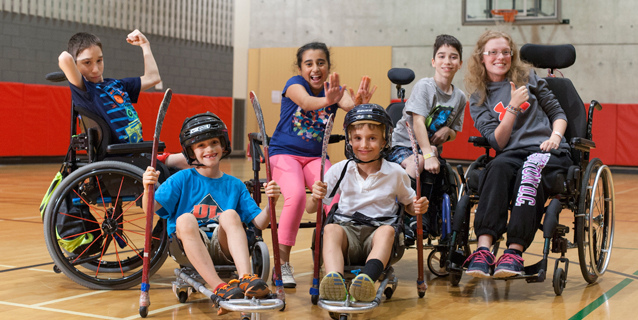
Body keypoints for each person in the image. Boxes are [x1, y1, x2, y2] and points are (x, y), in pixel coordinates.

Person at [142, 112, 281, 310]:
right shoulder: (180, 180)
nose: (209, 149)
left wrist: (271, 203)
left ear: (223, 145)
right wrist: (148, 188)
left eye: (214, 142)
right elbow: (149, 212)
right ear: (191, 152)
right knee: (185, 220)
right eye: (201, 145)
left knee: (230, 215)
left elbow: (260, 223)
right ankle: (219, 286)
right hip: (185, 247)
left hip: (223, 248)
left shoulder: (235, 185)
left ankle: (246, 279)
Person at [463, 30, 571, 278]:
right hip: (511, 152)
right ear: (482, 57)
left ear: (512, 55)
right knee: (497, 168)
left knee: (530, 170)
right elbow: (498, 142)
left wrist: (555, 137)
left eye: (505, 52)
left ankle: (514, 252)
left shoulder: (528, 77)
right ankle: (483, 251)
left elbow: (558, 113)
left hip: (546, 149)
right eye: (493, 52)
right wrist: (511, 107)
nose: (500, 57)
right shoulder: (479, 97)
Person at [268, 41, 376, 287]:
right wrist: (330, 100)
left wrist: (359, 103)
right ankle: (281, 264)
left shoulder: (337, 89)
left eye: (321, 63)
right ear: (300, 68)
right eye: (309, 64)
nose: (315, 68)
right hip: (284, 153)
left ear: (328, 66)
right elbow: (306, 103)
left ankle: (335, 256)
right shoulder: (295, 85)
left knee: (337, 196)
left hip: (317, 157)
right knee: (295, 195)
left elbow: (351, 109)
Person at [307, 104, 429, 302]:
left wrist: (416, 208)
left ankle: (366, 280)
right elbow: (311, 209)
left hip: (378, 234)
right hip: (348, 234)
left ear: (384, 141)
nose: (364, 145)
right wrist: (315, 197)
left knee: (387, 231)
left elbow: (408, 205)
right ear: (349, 140)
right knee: (330, 230)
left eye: (372, 138)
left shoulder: (396, 172)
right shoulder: (340, 169)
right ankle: (334, 282)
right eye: (357, 138)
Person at [58, 30, 188, 169]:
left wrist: (145, 45)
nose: (95, 69)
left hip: (141, 155)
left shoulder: (117, 85)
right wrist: (73, 71)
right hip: (124, 160)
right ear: (76, 64)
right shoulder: (86, 91)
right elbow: (64, 58)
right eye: (87, 63)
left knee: (195, 159)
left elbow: (153, 78)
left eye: (99, 60)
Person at [388, 34, 466, 238]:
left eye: (453, 57)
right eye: (441, 56)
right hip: (402, 147)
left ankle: (428, 218)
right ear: (433, 62)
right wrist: (429, 155)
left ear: (460, 63)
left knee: (436, 167)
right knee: (420, 161)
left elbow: (454, 133)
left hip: (428, 151)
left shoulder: (460, 97)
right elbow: (418, 122)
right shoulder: (425, 87)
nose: (447, 61)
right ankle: (410, 216)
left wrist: (448, 133)